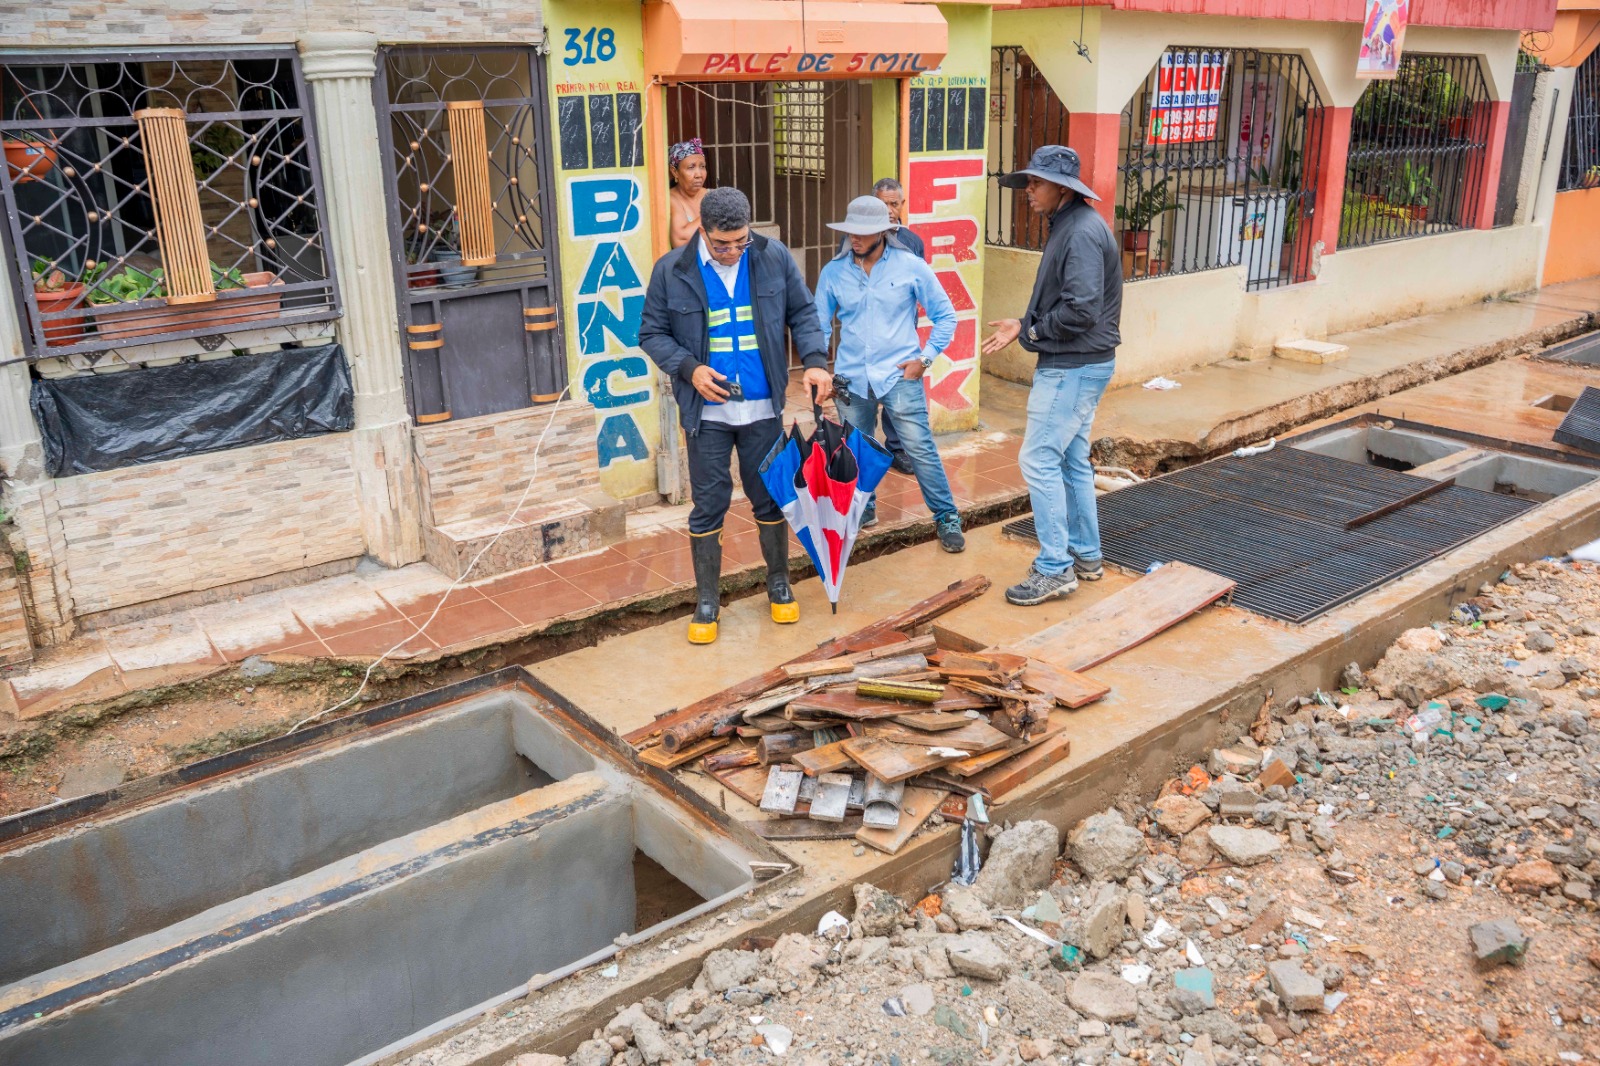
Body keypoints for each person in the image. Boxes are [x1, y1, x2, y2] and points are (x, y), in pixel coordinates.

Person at [640, 186, 833, 645]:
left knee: (769, 498)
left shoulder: (772, 256)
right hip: (706, 414)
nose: (732, 252)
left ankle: (778, 582)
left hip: (762, 408)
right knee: (709, 504)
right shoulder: (672, 269)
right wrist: (689, 368)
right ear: (702, 231)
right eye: (722, 244)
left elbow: (803, 312)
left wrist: (815, 361)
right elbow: (651, 333)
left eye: (740, 241)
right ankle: (707, 600)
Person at [980, 145, 1123, 606]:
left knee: (1038, 460)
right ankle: (1085, 555)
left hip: (1072, 366)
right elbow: (1072, 302)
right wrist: (1024, 324)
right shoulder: (1073, 225)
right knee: (1070, 460)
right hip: (1081, 363)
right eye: (1029, 182)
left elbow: (1082, 309)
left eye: (1037, 183)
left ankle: (1055, 568)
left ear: (1063, 188)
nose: (1028, 191)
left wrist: (1034, 331)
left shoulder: (1080, 231)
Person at [815, 195, 965, 553]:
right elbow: (818, 326)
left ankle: (946, 516)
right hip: (851, 379)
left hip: (900, 375)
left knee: (920, 449)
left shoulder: (910, 266)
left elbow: (946, 316)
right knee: (856, 450)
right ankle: (864, 508)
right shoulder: (833, 272)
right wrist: (820, 369)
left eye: (863, 232)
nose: (855, 238)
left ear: (883, 231)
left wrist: (925, 359)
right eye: (851, 231)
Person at [868, 177, 921, 474]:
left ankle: (898, 447)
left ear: (902, 205)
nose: (889, 210)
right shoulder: (856, 239)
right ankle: (864, 449)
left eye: (894, 204)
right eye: (882, 204)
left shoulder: (913, 242)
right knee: (864, 394)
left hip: (901, 335)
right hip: (866, 334)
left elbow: (921, 288)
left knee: (898, 391)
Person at [667, 139, 708, 249]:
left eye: (702, 166)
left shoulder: (712, 195)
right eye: (691, 167)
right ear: (675, 172)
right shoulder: (671, 199)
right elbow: (681, 241)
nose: (699, 174)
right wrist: (713, 214)